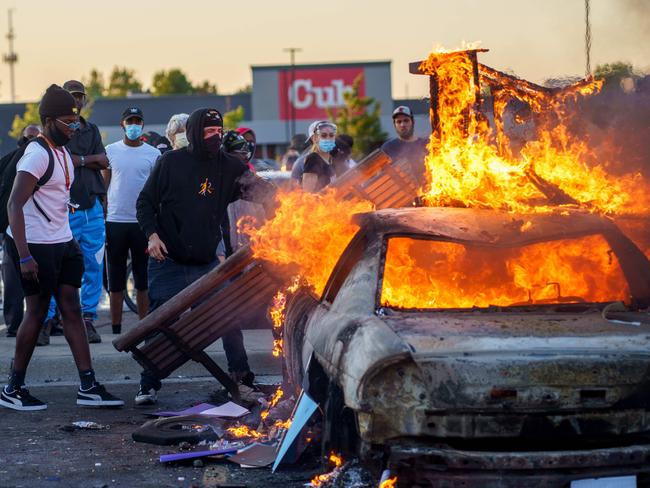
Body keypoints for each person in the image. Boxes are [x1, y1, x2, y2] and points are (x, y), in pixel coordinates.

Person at [0, 85, 123, 411]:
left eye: (76, 121)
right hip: (34, 246)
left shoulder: (62, 154)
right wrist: (24, 256)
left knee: (72, 309)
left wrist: (69, 241)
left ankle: (88, 385)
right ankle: (13, 388)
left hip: (62, 242)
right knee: (37, 312)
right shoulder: (37, 154)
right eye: (68, 122)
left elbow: (58, 201)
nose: (74, 127)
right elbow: (14, 205)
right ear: (49, 120)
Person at [135, 108, 265, 405]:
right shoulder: (170, 162)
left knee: (229, 316)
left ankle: (241, 379)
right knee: (159, 322)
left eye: (218, 131)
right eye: (208, 132)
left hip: (207, 262)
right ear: (194, 133)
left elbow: (262, 191)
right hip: (168, 260)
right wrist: (152, 235)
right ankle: (148, 383)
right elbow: (144, 202)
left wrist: (293, 204)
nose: (215, 137)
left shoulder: (229, 166)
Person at [40, 80, 109, 345]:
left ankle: (88, 318)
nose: (77, 101)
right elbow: (62, 159)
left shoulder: (91, 129)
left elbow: (103, 160)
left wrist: (81, 161)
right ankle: (46, 320)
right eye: (72, 96)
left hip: (92, 206)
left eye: (80, 96)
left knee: (93, 265)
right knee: (56, 267)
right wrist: (86, 161)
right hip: (64, 208)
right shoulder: (55, 131)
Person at [104, 108, 160, 334]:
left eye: (138, 121)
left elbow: (156, 190)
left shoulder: (153, 154)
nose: (134, 125)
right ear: (122, 124)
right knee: (115, 277)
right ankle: (116, 328)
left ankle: (143, 326)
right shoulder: (111, 151)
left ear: (143, 125)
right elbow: (105, 184)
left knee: (142, 277)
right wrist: (103, 211)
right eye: (130, 121)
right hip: (115, 220)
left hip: (142, 223)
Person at [0, 125, 41, 337]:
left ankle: (46, 323)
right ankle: (14, 324)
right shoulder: (8, 161)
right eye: (28, 138)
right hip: (12, 229)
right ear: (21, 140)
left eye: (36, 138)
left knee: (45, 279)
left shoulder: (47, 159)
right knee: (13, 278)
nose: (32, 142)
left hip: (41, 230)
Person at [380, 105, 428, 183]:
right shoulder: (388, 147)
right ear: (395, 125)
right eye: (399, 122)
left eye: (406, 120)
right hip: (402, 193)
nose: (402, 125)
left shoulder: (426, 144)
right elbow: (381, 176)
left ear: (413, 122)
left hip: (430, 192)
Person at [302, 121, 338, 193]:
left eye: (331, 135)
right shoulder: (313, 159)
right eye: (323, 135)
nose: (328, 138)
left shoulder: (331, 160)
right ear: (314, 138)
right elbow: (308, 193)